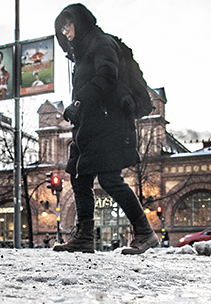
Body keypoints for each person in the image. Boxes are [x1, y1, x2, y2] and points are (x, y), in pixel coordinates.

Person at [52, 3, 158, 254]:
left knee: (110, 179)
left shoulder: (102, 43)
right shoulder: (81, 54)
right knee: (79, 176)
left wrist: (77, 103)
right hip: (88, 125)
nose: (65, 32)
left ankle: (145, 232)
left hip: (110, 123)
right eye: (61, 28)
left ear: (81, 22)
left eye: (68, 25)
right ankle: (84, 236)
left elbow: (107, 76)